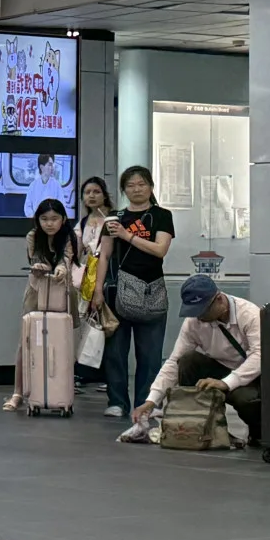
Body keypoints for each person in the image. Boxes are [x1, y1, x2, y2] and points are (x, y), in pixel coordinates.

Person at [134, 274, 261, 444]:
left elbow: (260, 355)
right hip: (220, 368)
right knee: (188, 361)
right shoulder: (193, 322)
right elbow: (174, 361)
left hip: (251, 375)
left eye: (202, 310)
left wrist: (226, 382)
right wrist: (152, 400)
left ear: (219, 300)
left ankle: (259, 429)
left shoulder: (250, 314)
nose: (198, 317)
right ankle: (201, 425)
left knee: (246, 399)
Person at [101, 165, 174, 418]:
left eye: (141, 184)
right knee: (115, 353)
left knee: (150, 355)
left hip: (152, 290)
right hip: (117, 292)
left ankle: (147, 404)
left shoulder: (162, 215)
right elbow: (105, 255)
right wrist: (98, 290)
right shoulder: (113, 216)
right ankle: (117, 402)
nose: (136, 189)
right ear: (123, 190)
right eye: (130, 185)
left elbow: (159, 249)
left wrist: (126, 234)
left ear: (151, 187)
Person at [5, 198, 79, 411]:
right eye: (44, 219)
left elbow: (67, 260)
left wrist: (61, 270)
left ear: (63, 219)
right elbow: (34, 258)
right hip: (37, 290)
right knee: (25, 341)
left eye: (54, 218)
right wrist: (39, 266)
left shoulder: (69, 236)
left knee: (61, 341)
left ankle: (60, 391)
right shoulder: (33, 236)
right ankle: (18, 392)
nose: (49, 223)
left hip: (62, 291)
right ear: (37, 220)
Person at [75, 176, 115, 387]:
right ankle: (85, 372)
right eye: (87, 192)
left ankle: (108, 375)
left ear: (104, 194)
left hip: (108, 277)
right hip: (87, 278)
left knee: (106, 324)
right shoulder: (83, 221)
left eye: (96, 191)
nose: (91, 196)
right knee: (88, 323)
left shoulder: (113, 219)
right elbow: (77, 249)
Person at [23, 152, 74, 218]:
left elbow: (62, 205)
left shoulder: (56, 185)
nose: (52, 168)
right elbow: (28, 207)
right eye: (50, 165)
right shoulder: (33, 186)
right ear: (41, 167)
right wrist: (34, 218)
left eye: (52, 165)